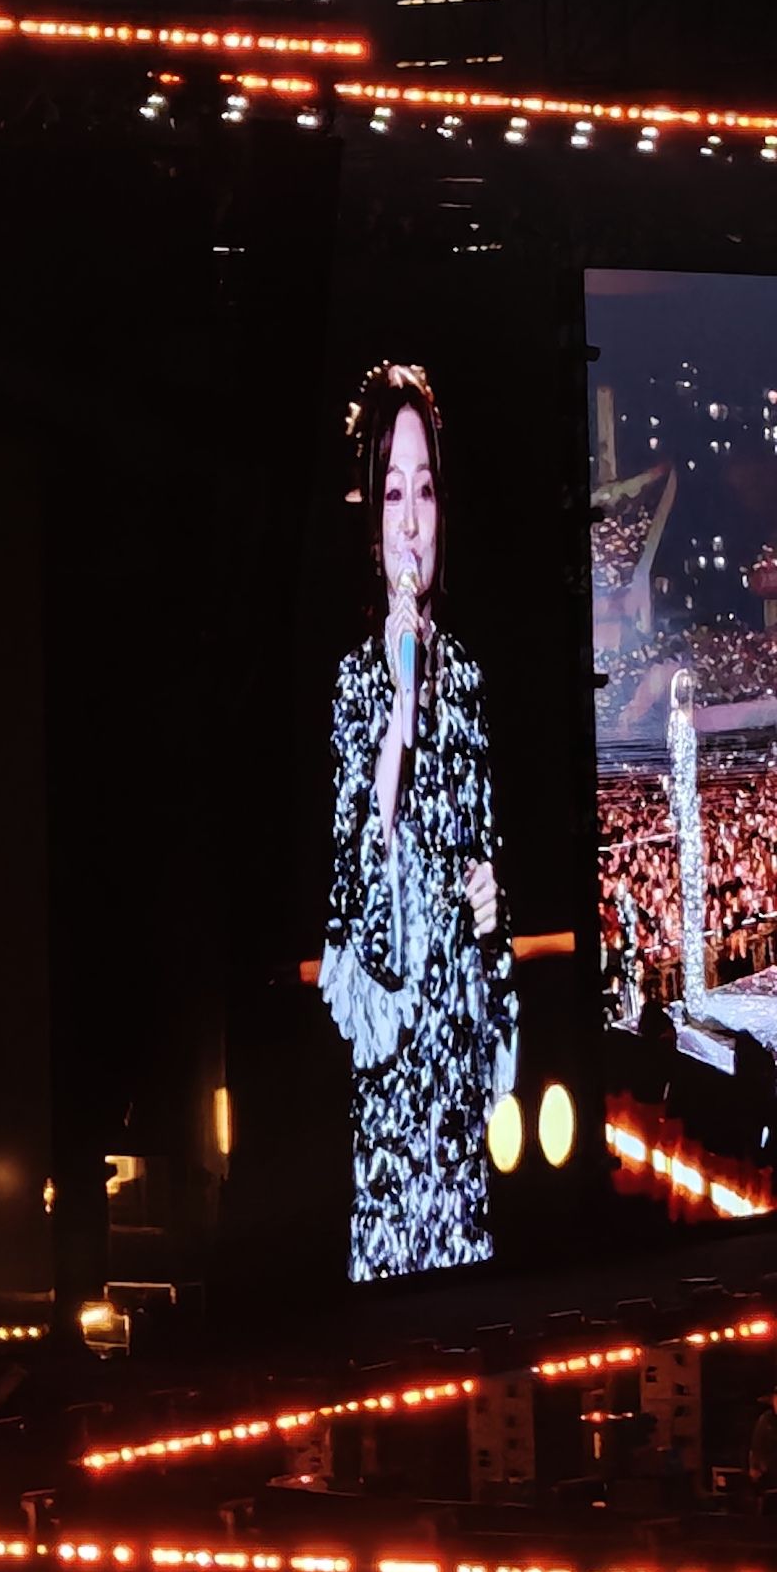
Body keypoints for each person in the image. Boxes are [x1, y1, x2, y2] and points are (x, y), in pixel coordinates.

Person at [318, 366, 514, 1282]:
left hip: (457, 1067)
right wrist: (400, 706)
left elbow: (486, 860)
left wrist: (489, 902)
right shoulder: (358, 684)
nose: (410, 523)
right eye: (393, 494)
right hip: (393, 1074)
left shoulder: (467, 679)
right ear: (370, 522)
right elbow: (356, 879)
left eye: (425, 491)